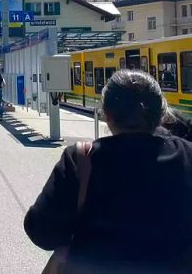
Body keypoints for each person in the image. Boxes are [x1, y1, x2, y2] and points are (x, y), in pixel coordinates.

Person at [24, 70, 192, 273]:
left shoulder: (82, 159)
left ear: (107, 114)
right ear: (161, 113)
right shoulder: (187, 155)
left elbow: (42, 232)